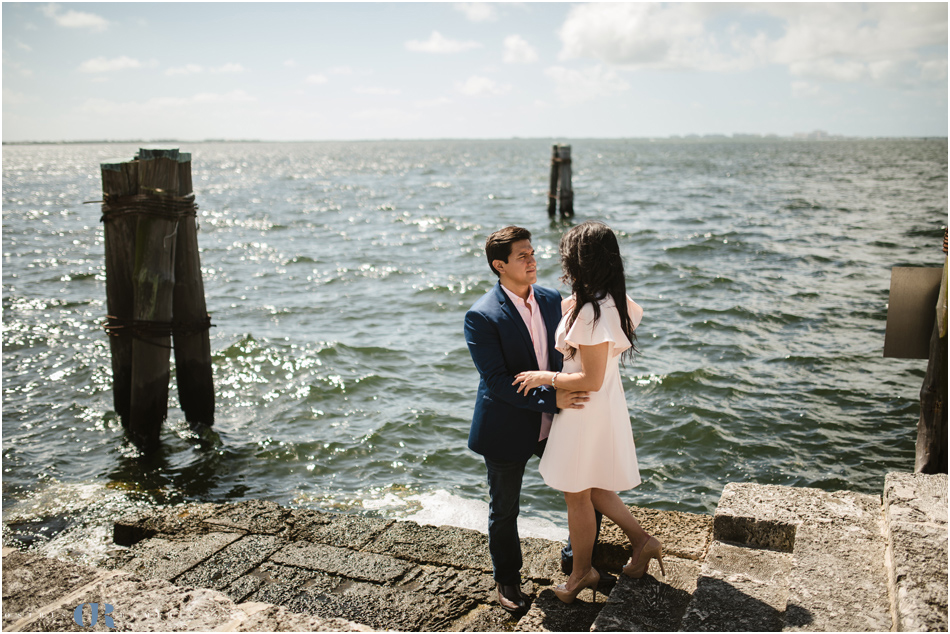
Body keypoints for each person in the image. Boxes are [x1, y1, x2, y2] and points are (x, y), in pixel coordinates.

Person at [513, 220, 664, 605]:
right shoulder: (610, 301)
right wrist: (574, 306)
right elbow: (608, 339)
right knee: (594, 487)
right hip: (600, 406)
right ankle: (643, 542)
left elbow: (591, 378)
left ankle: (582, 573)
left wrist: (545, 377)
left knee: (577, 494)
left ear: (580, 259)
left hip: (583, 406)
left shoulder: (592, 311)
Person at [464, 225, 596, 614]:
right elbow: (498, 383)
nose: (533, 260)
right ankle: (507, 580)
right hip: (506, 426)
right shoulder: (481, 316)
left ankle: (578, 563)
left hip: (557, 421)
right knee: (505, 508)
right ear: (499, 265)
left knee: (582, 489)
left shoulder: (552, 298)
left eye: (533, 252)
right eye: (523, 256)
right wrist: (555, 397)